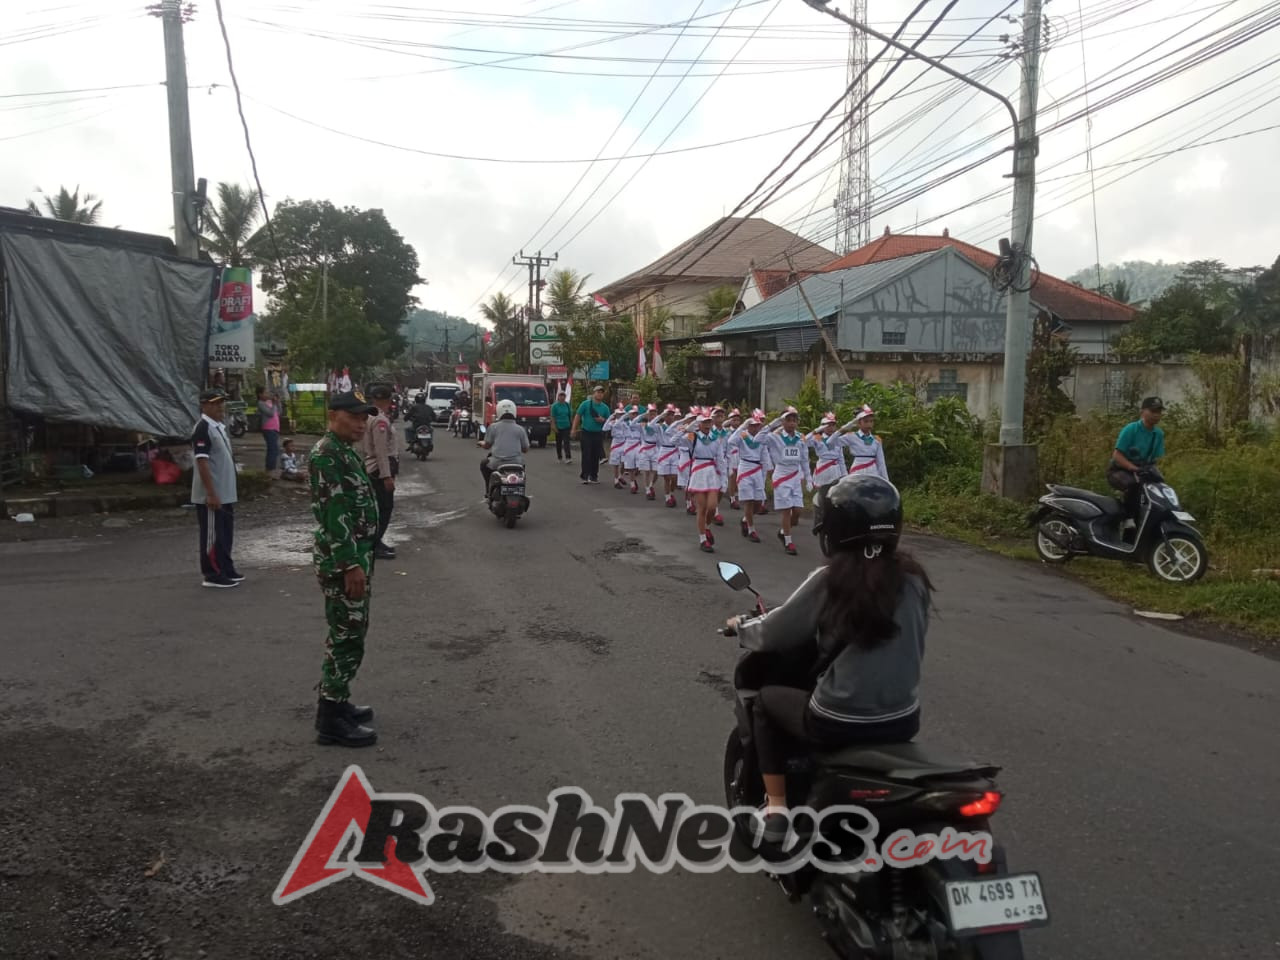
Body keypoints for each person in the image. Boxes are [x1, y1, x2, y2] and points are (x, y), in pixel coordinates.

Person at [725, 474, 934, 842]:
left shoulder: (831, 579)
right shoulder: (914, 580)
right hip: (903, 719)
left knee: (765, 703)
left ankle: (777, 811)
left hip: (840, 718)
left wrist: (741, 628)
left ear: (834, 531)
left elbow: (775, 631)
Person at [309, 390, 381, 748]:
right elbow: (334, 513)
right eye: (354, 416)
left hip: (356, 555)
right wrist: (351, 564)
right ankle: (331, 718)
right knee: (346, 634)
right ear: (333, 414)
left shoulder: (344, 451)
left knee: (352, 630)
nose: (361, 423)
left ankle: (338, 702)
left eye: (364, 417)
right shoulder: (326, 455)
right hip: (344, 560)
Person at [191, 387, 243, 589]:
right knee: (212, 535)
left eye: (221, 402)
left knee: (225, 533)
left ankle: (226, 567)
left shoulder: (219, 426)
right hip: (213, 494)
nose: (220, 407)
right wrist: (211, 493)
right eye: (215, 403)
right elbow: (202, 462)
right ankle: (212, 573)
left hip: (226, 492)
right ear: (204, 405)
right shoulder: (203, 428)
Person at [762, 407, 814, 556]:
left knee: (797, 511)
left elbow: (804, 459)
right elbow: (758, 438)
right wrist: (774, 423)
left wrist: (808, 478)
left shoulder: (800, 438)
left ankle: (783, 532)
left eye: (794, 420)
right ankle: (788, 541)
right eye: (788, 420)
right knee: (786, 511)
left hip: (795, 475)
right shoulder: (774, 437)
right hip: (782, 475)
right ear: (783, 421)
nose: (791, 423)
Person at [1108, 396, 1166, 525]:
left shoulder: (1158, 434)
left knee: (1161, 488)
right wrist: (1133, 468)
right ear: (1143, 411)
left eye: (1159, 412)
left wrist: (1156, 474)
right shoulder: (1131, 429)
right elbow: (1117, 455)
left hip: (1143, 470)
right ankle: (1128, 519)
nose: (1156, 415)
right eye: (1153, 411)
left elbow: (1156, 459)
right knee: (1134, 484)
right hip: (1120, 470)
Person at [359, 384, 399, 562]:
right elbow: (381, 450)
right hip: (378, 469)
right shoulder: (379, 420)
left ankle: (377, 541)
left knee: (379, 507)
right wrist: (386, 476)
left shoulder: (369, 416)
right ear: (388, 400)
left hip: (372, 467)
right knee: (384, 507)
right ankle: (374, 544)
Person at [684, 409, 728, 553]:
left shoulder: (716, 439)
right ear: (699, 424)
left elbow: (720, 460)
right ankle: (703, 539)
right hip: (698, 472)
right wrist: (694, 423)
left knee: (712, 507)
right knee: (702, 509)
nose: (708, 425)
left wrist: (724, 479)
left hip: (711, 473)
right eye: (704, 422)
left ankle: (707, 527)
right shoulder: (693, 436)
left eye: (709, 422)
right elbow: (675, 439)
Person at [725, 410, 773, 542]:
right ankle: (752, 530)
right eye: (753, 425)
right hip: (745, 468)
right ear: (749, 425)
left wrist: (766, 473)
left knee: (758, 503)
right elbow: (730, 442)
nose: (756, 428)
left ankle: (745, 519)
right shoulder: (742, 434)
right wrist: (743, 426)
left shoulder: (762, 438)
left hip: (757, 470)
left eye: (758, 425)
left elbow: (764, 456)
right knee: (749, 500)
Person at [480, 398, 529, 496]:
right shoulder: (520, 429)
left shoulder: (493, 427)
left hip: (497, 463)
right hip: (517, 463)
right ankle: (520, 490)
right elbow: (525, 449)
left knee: (484, 464)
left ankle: (488, 490)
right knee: (522, 473)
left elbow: (487, 445)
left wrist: (481, 443)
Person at [571, 384, 611, 484]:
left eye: (601, 393)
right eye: (598, 392)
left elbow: (610, 421)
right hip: (586, 433)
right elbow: (578, 416)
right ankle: (585, 476)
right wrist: (574, 429)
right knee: (586, 455)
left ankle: (594, 476)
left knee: (595, 456)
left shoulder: (605, 408)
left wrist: (603, 420)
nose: (600, 394)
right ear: (594, 394)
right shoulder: (586, 404)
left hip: (598, 433)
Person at [845, 405, 889, 481]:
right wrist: (845, 428)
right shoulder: (851, 436)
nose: (869, 424)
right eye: (866, 421)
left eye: (871, 421)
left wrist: (886, 481)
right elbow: (831, 442)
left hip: (873, 471)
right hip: (857, 470)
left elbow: (881, 462)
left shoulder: (876, 440)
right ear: (859, 423)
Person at [257, 386, 281, 476]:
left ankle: (271, 469)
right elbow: (270, 413)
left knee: (275, 450)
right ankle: (270, 470)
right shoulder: (260, 403)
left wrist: (278, 402)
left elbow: (279, 412)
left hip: (275, 428)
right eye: (265, 393)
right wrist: (274, 404)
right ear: (260, 394)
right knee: (272, 449)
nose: (268, 394)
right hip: (268, 428)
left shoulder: (270, 402)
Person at [551, 390, 574, 464]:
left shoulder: (567, 405)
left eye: (563, 396)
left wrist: (572, 425)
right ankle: (559, 456)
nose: (562, 397)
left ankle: (568, 457)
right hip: (558, 426)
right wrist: (553, 425)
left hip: (566, 426)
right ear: (558, 397)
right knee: (559, 442)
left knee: (566, 442)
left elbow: (570, 415)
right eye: (561, 396)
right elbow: (553, 417)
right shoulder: (555, 406)